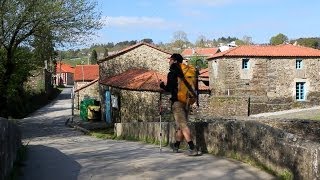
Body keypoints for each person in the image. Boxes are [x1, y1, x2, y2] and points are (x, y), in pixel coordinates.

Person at [159, 53, 198, 156]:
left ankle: (192, 148)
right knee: (181, 125)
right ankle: (176, 145)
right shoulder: (187, 71)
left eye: (170, 59)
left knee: (183, 125)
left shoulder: (172, 73)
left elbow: (169, 88)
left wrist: (162, 86)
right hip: (187, 101)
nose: (169, 61)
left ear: (175, 61)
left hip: (177, 102)